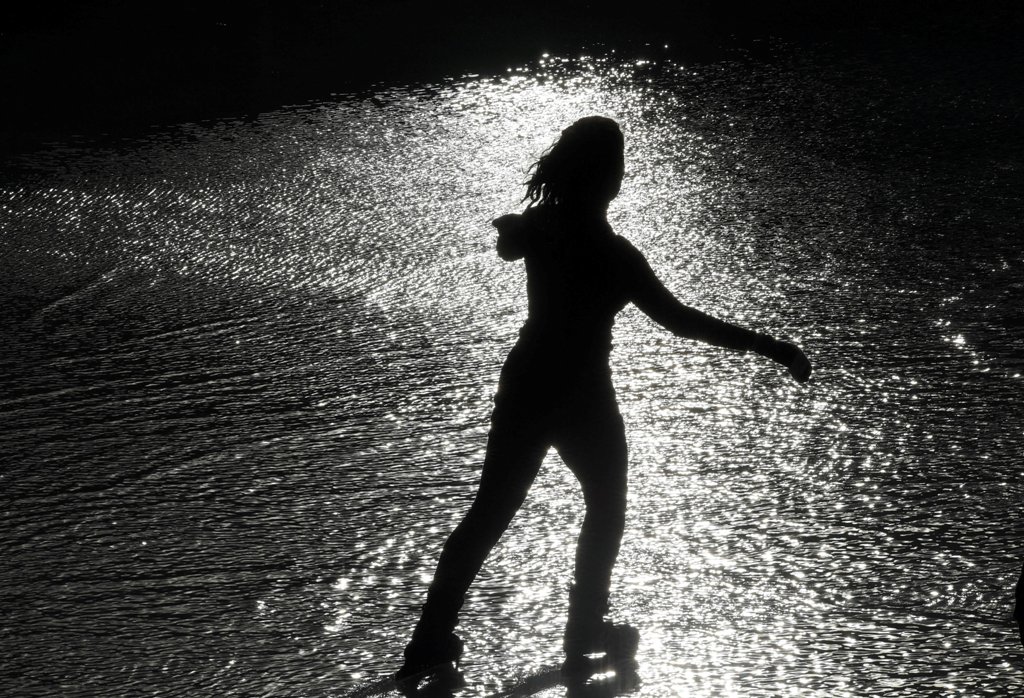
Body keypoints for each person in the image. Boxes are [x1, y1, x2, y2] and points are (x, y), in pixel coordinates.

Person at [396, 116, 812, 681]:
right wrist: (771, 347)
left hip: (528, 382)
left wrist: (511, 229)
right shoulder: (614, 255)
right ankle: (586, 627)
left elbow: (511, 245)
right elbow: (679, 321)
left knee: (491, 512)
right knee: (606, 507)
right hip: (583, 394)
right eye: (618, 163)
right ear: (610, 178)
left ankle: (429, 640)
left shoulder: (545, 226)